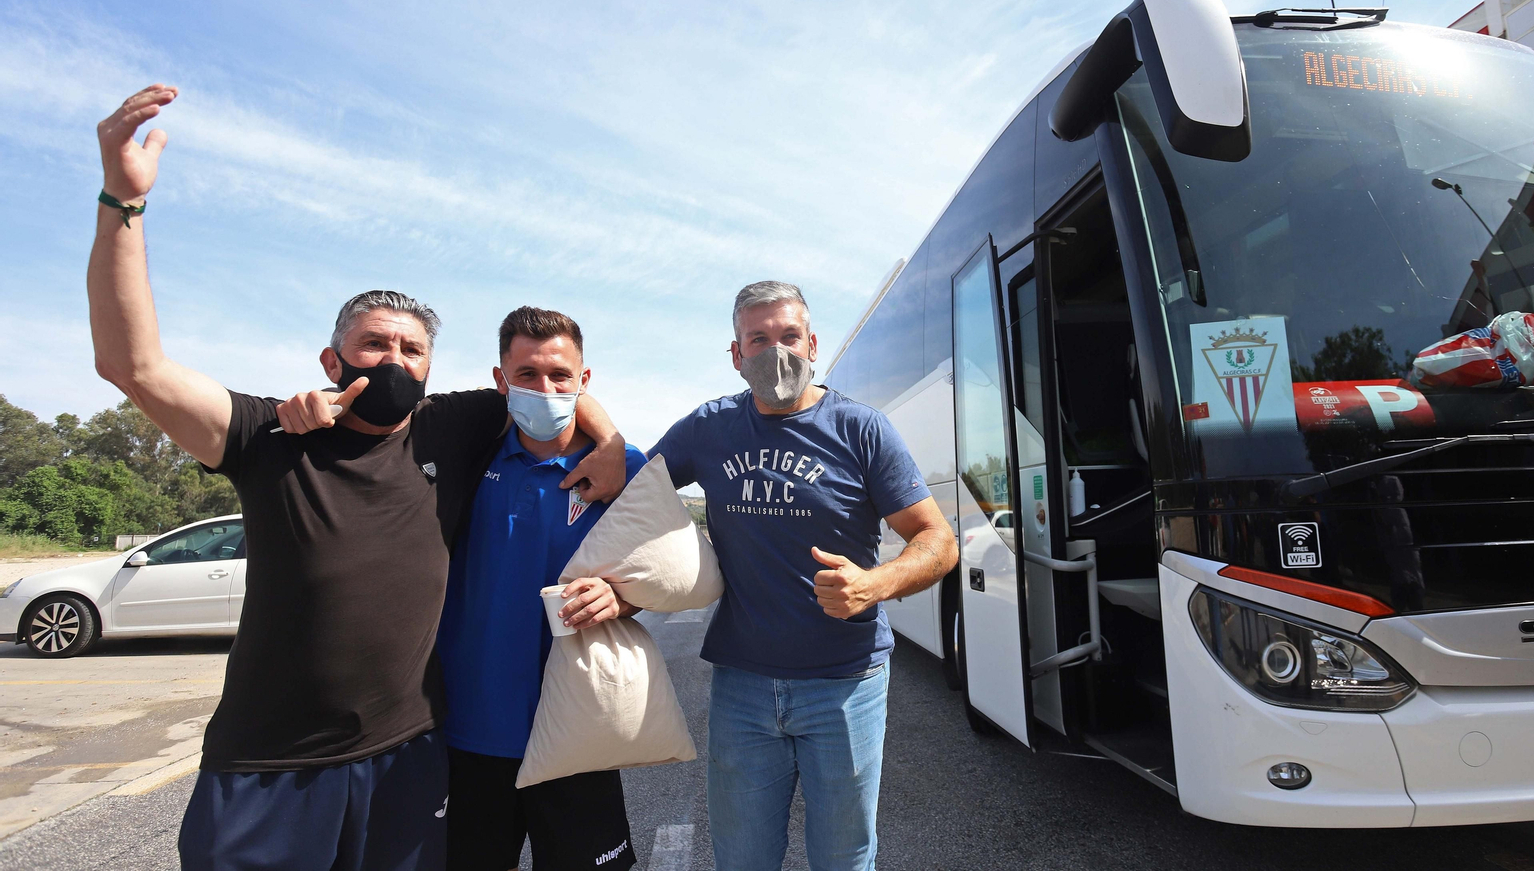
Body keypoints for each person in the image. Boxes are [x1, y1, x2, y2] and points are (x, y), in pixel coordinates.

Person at [87, 84, 626, 871]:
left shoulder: (456, 425)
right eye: (375, 345)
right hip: (268, 763)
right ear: (332, 360)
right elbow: (131, 365)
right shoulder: (266, 433)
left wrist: (609, 438)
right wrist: (122, 206)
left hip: (407, 759)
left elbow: (552, 381)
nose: (396, 361)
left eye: (412, 350)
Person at [650, 281, 958, 871]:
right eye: (757, 340)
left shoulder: (861, 429)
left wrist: (875, 583)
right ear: (736, 354)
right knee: (742, 859)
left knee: (844, 859)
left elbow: (937, 540)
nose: (776, 353)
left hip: (846, 683)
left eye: (789, 336)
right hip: (743, 685)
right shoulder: (708, 429)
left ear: (812, 342)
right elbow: (634, 493)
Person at [436, 307, 647, 871]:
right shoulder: (466, 455)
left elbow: (667, 571)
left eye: (560, 375)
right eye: (527, 374)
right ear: (501, 380)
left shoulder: (623, 467)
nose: (545, 387)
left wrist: (624, 599)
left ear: (584, 381)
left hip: (577, 727)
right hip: (472, 729)